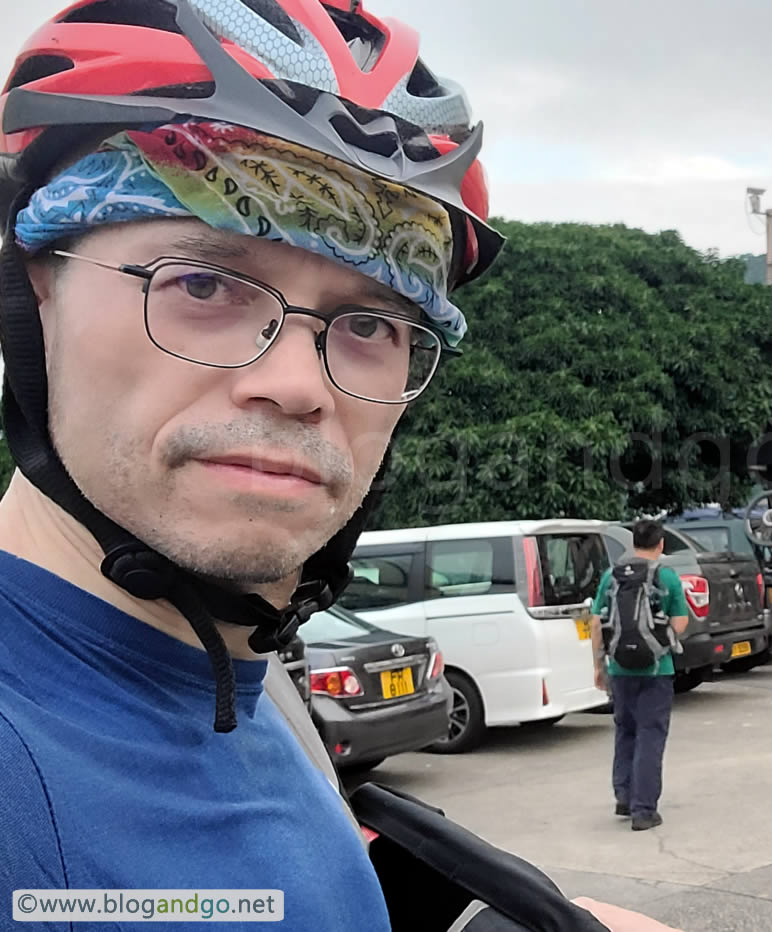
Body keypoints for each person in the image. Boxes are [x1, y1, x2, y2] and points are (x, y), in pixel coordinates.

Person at [0, 3, 673, 929]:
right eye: (202, 284)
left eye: (369, 324)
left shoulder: (242, 672)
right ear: (32, 294)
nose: (295, 383)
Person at [590, 520, 689, 832]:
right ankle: (644, 810)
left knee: (625, 731)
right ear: (660, 545)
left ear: (633, 543)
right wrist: (661, 642)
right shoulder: (666, 576)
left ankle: (624, 796)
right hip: (656, 670)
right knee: (650, 735)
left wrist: (598, 666)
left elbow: (596, 623)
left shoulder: (612, 576)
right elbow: (681, 621)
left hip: (619, 668)